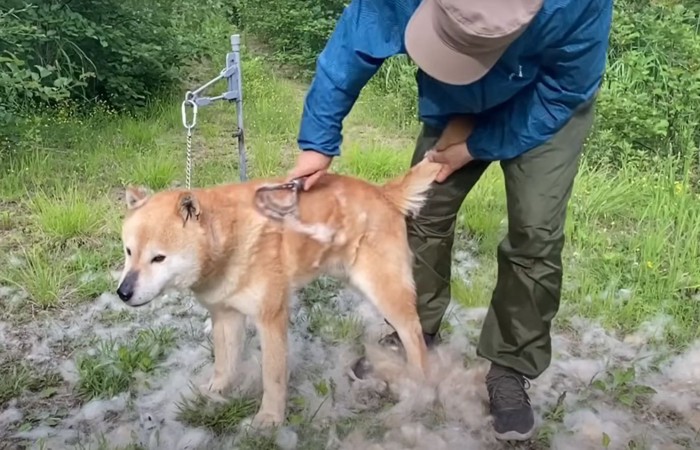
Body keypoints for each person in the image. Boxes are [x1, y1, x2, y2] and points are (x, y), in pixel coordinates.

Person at [287, 0, 613, 441]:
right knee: (423, 210)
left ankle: (510, 367)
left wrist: (477, 146)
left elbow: (566, 87)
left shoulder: (574, 6)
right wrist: (317, 141)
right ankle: (414, 333)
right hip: (457, 100)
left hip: (544, 100)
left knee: (535, 233)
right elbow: (353, 45)